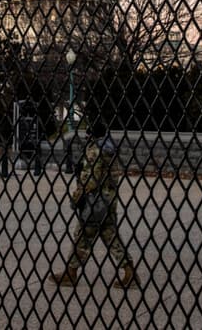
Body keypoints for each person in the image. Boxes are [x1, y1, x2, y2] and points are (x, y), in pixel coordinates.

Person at [49, 117, 138, 288]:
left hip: (95, 201)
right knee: (110, 236)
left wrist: (76, 197)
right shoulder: (110, 149)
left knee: (82, 235)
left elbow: (90, 179)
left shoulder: (95, 151)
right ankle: (129, 271)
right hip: (109, 199)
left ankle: (71, 273)